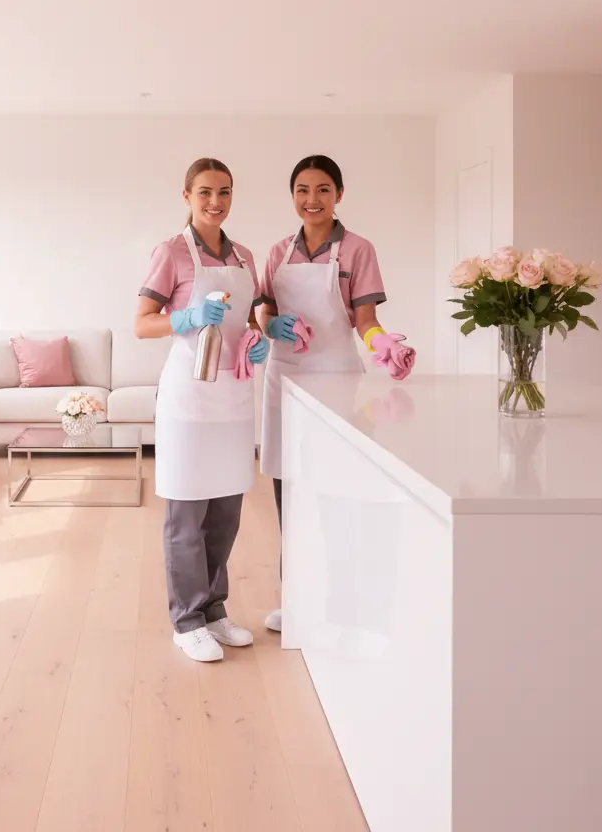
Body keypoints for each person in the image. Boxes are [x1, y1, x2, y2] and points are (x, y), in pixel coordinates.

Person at [257, 154, 415, 633]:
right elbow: (263, 311)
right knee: (289, 495)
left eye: (323, 189)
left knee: (337, 497)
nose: (312, 200)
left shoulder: (358, 250)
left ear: (339, 194)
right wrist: (272, 326)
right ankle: (295, 601)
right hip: (284, 380)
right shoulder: (278, 252)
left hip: (337, 383)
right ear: (292, 196)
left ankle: (341, 606)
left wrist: (381, 344)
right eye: (302, 190)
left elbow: (365, 320)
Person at [135, 157, 270, 662]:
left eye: (225, 192)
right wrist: (185, 317)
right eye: (205, 193)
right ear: (187, 196)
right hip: (189, 399)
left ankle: (213, 609)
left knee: (225, 514)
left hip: (234, 396)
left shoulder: (245, 256)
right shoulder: (171, 252)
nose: (216, 202)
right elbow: (142, 323)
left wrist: (257, 339)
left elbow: (249, 320)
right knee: (187, 515)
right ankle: (186, 620)